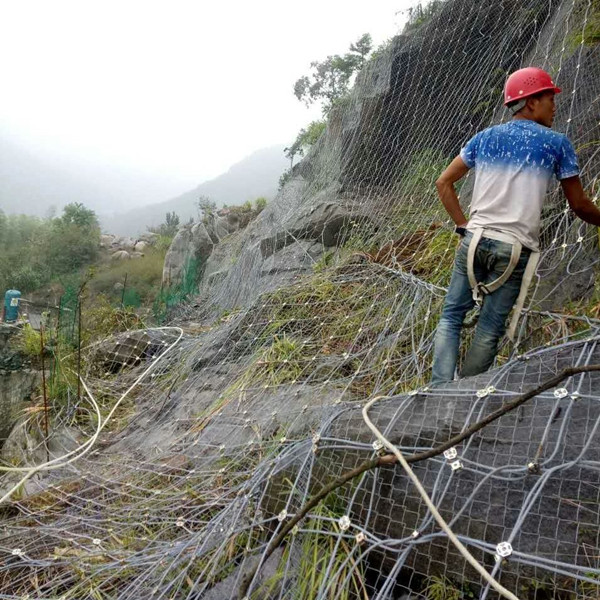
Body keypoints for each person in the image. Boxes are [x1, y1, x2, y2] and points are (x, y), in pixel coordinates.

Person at [430, 66, 600, 386]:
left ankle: (438, 389)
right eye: (550, 98)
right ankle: (464, 397)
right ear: (531, 102)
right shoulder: (557, 144)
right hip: (515, 248)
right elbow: (579, 205)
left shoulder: (484, 138)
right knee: (490, 329)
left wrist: (464, 226)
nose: (554, 106)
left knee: (451, 317)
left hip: (475, 239)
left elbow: (443, 182)